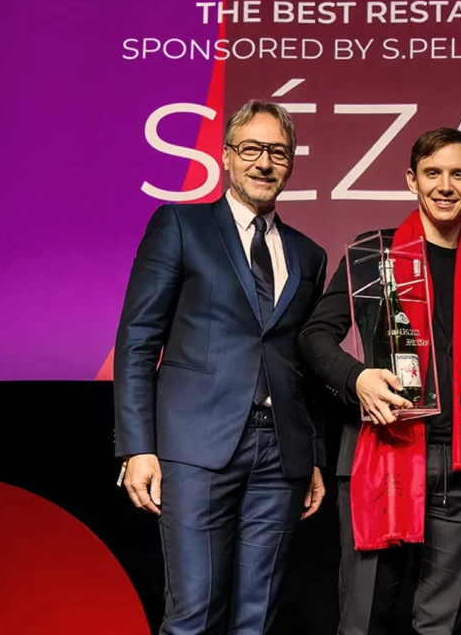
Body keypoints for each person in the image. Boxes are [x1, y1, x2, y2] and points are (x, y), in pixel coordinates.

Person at [114, 100, 328, 635]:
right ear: (227, 157)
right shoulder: (181, 224)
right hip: (195, 448)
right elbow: (138, 340)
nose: (264, 163)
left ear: (292, 163)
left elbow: (304, 365)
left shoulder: (310, 255)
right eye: (251, 149)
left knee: (255, 621)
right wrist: (138, 446)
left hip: (281, 456)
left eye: (277, 152)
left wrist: (314, 454)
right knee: (193, 616)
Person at [298, 127, 461, 635]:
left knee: (441, 625)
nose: (445, 185)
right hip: (382, 452)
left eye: (458, 174)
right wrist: (357, 378)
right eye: (433, 173)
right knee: (364, 619)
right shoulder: (372, 253)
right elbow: (314, 337)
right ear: (411, 179)